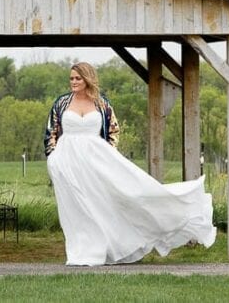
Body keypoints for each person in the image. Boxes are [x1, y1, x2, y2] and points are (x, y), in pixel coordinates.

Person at [44, 62, 216, 266]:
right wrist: (53, 158)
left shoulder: (102, 104)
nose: (73, 82)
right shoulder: (62, 103)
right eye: (71, 78)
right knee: (77, 208)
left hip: (96, 162)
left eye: (78, 78)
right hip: (68, 163)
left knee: (118, 197)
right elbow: (51, 133)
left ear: (87, 79)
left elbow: (113, 132)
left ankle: (110, 247)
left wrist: (108, 158)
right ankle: (81, 252)